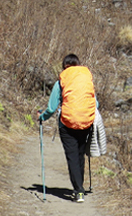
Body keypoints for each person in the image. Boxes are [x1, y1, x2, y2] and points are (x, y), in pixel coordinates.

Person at [38, 53, 96, 202]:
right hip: (86, 122)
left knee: (72, 157)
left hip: (67, 123)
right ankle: (80, 187)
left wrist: (42, 117)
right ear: (78, 64)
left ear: (64, 66)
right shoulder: (85, 80)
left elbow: (51, 108)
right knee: (80, 154)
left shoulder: (62, 80)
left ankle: (78, 191)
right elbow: (96, 104)